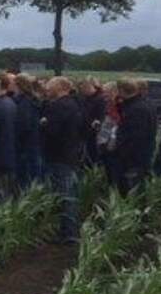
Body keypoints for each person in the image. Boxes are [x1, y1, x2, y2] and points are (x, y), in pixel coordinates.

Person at [40, 76, 83, 244]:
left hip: (59, 156)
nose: (47, 90)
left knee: (65, 195)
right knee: (68, 193)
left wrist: (43, 124)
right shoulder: (73, 104)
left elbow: (53, 132)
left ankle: (69, 234)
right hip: (69, 154)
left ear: (59, 88)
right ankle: (68, 230)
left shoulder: (58, 106)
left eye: (50, 87)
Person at [115, 78, 156, 197]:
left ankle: (136, 215)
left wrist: (120, 150)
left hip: (133, 159)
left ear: (122, 90)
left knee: (132, 193)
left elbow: (135, 136)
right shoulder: (146, 104)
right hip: (142, 156)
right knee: (138, 191)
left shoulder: (136, 109)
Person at [12, 73, 43, 190]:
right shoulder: (32, 99)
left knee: (25, 177)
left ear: (19, 85)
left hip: (25, 146)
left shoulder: (24, 103)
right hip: (31, 143)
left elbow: (24, 125)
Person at [79, 77, 107, 167]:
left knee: (92, 155)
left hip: (93, 132)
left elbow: (101, 116)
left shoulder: (99, 99)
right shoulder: (84, 98)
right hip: (85, 131)